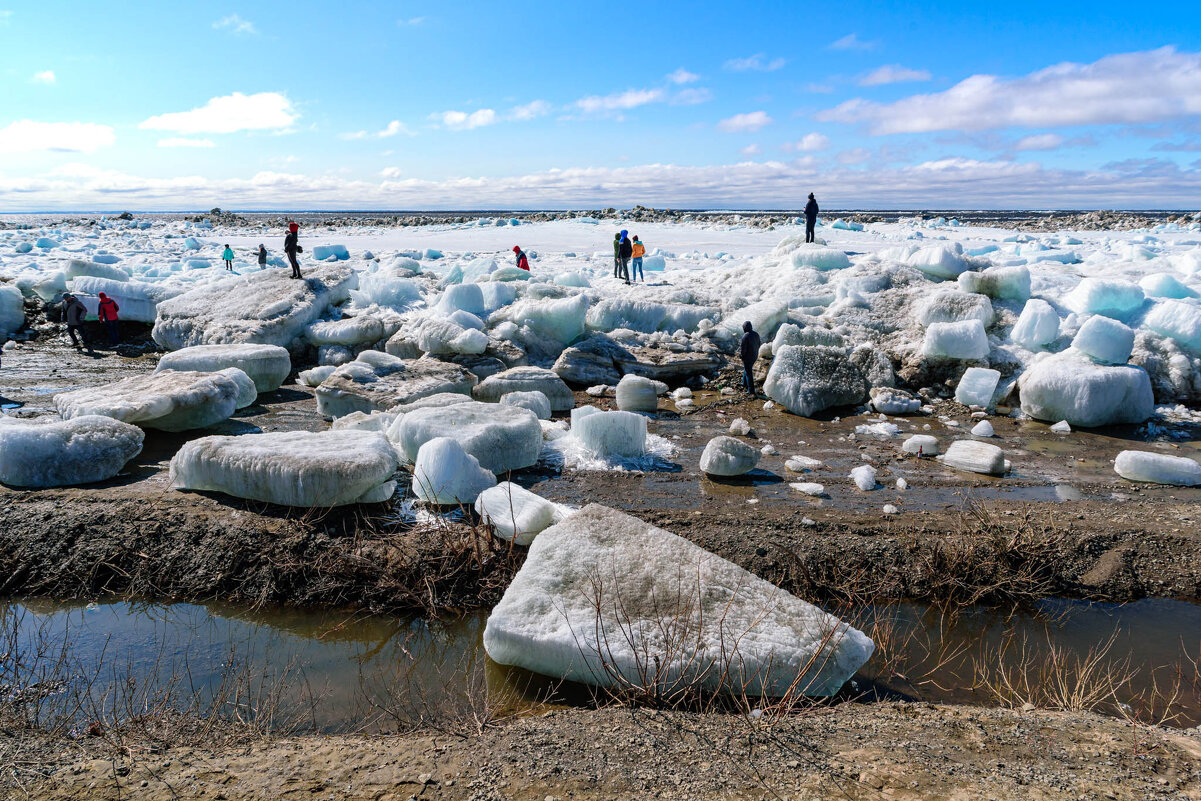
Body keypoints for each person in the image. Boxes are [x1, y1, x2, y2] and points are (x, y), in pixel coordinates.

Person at [739, 321, 761, 395]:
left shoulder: (745, 336)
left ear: (745, 328)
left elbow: (743, 349)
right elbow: (759, 344)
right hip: (754, 355)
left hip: (748, 357)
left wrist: (742, 355)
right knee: (747, 369)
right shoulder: (756, 334)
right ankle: (744, 383)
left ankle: (750, 390)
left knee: (748, 372)